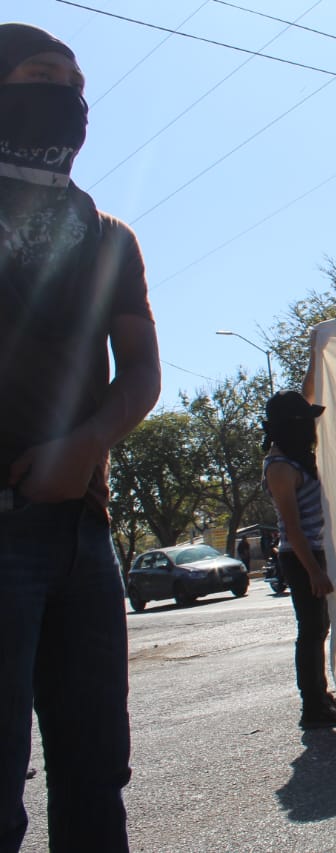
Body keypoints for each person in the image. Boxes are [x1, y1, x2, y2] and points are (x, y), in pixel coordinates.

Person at [0, 23, 162, 852]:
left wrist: (86, 446)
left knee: (96, 777)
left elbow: (141, 371)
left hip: (85, 537)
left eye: (77, 86)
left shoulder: (108, 236)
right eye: (41, 76)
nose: (66, 98)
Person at [262, 390, 336, 729]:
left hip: (319, 551)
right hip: (301, 557)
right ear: (292, 426)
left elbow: (310, 388)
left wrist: (316, 357)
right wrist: (313, 571)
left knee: (321, 627)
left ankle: (322, 696)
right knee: (311, 630)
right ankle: (312, 706)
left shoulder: (299, 458)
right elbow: (292, 528)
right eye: (306, 422)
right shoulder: (280, 467)